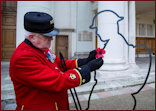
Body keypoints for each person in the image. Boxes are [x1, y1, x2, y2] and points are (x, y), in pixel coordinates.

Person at [9, 11, 103, 110]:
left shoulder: (42, 49)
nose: (52, 38)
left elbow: (61, 64)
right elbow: (57, 81)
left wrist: (86, 61)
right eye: (47, 36)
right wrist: (87, 69)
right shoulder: (23, 58)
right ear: (32, 37)